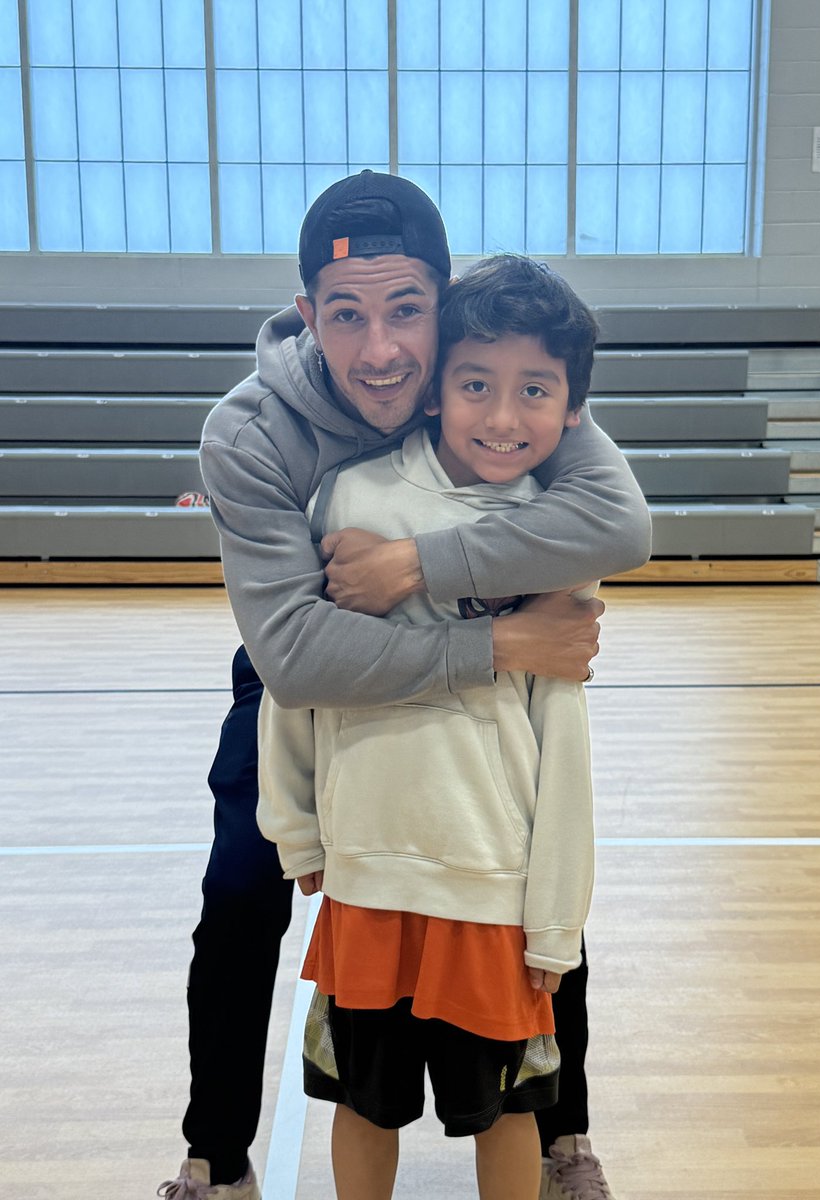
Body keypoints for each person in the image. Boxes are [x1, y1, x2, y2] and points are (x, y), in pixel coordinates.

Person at [158, 171, 651, 1200]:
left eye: (405, 312)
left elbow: (619, 524)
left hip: (489, 670)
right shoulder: (250, 433)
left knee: (532, 893)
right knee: (240, 886)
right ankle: (217, 1158)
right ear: (309, 318)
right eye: (347, 316)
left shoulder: (491, 374)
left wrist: (417, 566)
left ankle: (562, 1139)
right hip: (310, 659)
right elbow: (298, 658)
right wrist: (502, 643)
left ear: (444, 301)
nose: (380, 349)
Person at [256, 252, 601, 1200]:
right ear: (437, 386)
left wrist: (556, 917)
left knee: (510, 1113)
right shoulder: (353, 500)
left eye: (535, 390)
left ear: (574, 409)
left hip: (492, 887)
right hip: (366, 878)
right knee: (362, 1105)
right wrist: (297, 828)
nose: (501, 416)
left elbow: (564, 737)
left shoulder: (559, 534)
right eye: (476, 384)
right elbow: (302, 679)